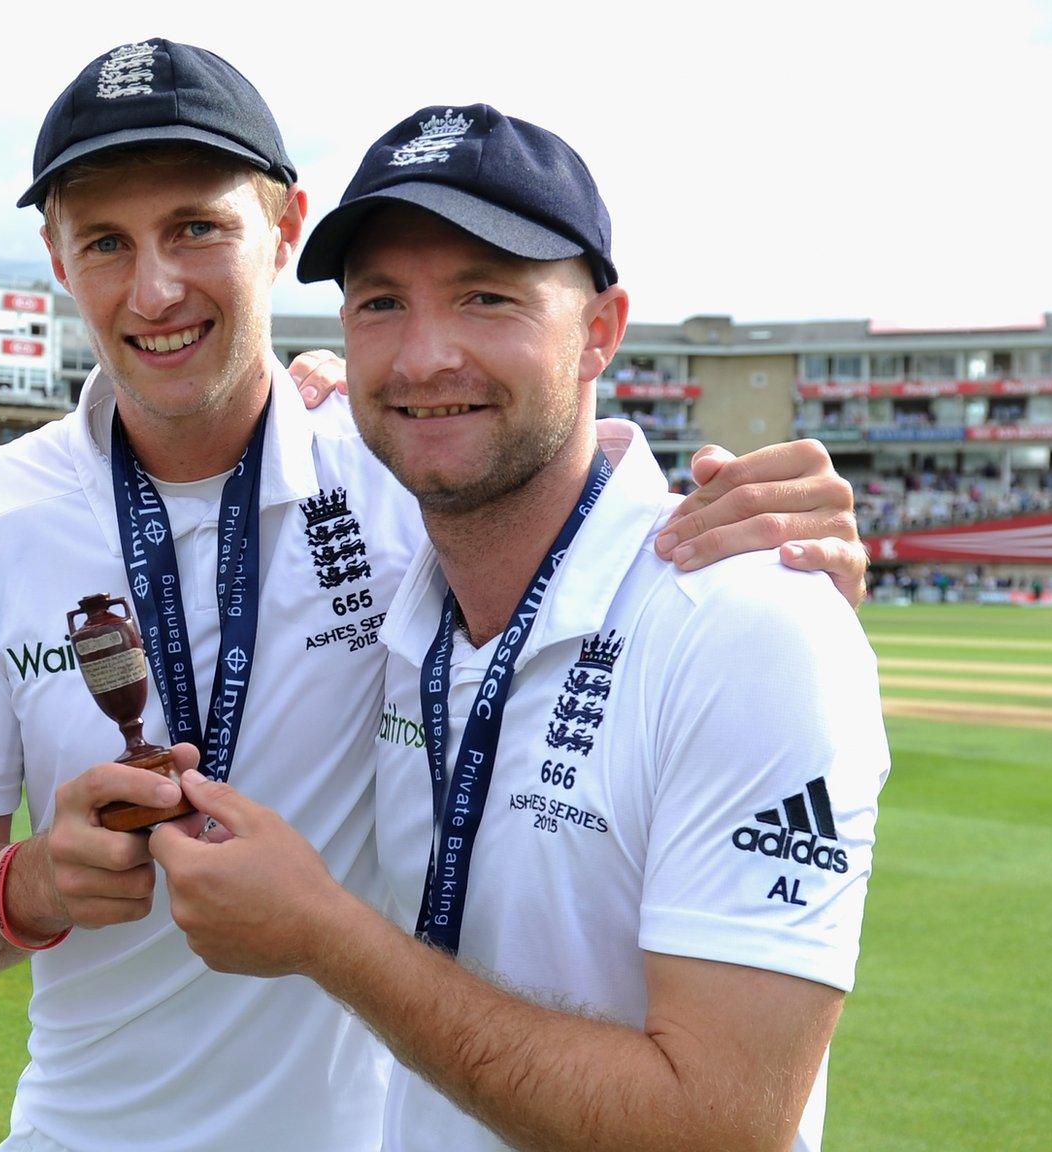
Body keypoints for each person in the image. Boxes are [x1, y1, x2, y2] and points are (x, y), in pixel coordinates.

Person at [0, 43, 867, 1152]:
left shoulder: (396, 464)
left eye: (197, 227)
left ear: (283, 228)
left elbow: (559, 490)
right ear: (56, 259)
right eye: (105, 241)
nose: (154, 287)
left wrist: (783, 557)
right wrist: (33, 885)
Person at [149, 105, 886, 1152]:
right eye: (380, 304)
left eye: (485, 298)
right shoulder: (406, 607)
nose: (422, 356)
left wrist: (326, 937)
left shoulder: (747, 623)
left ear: (598, 332)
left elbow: (722, 1128)